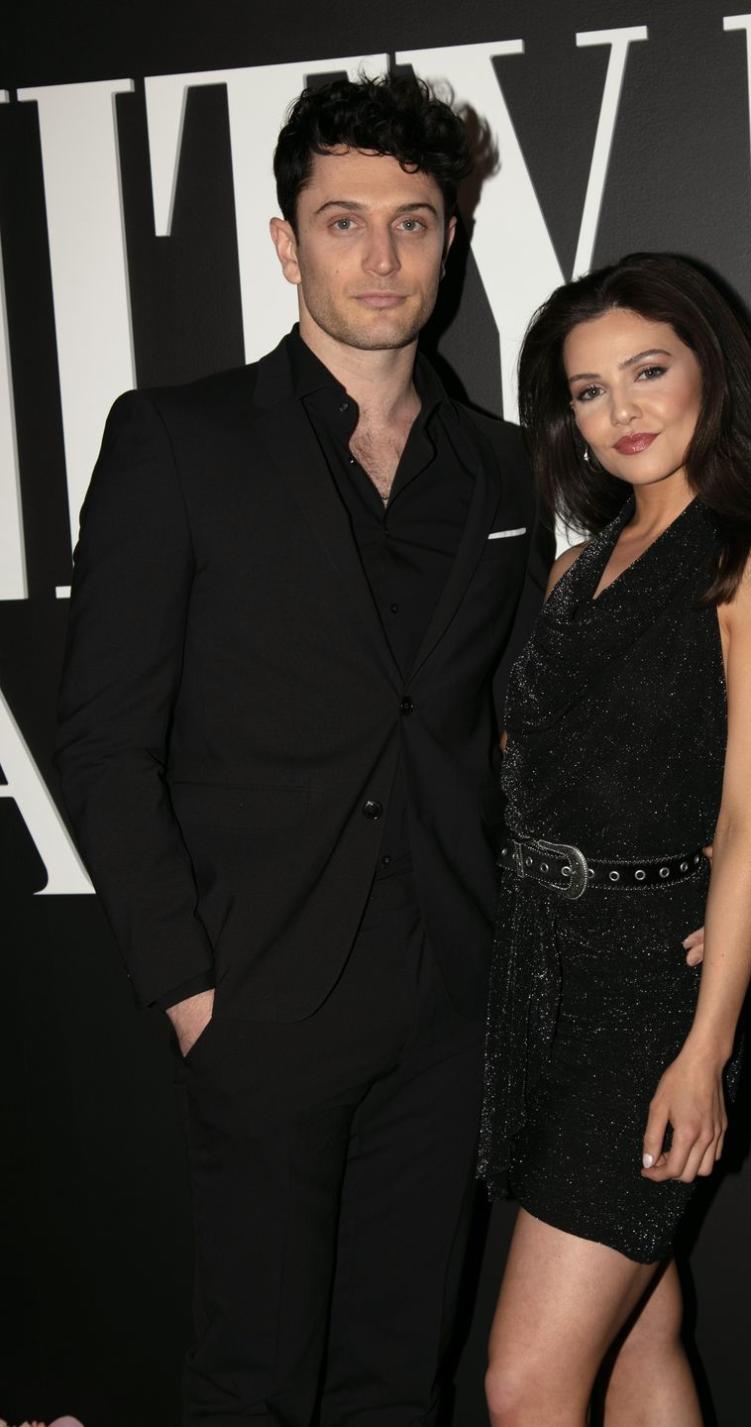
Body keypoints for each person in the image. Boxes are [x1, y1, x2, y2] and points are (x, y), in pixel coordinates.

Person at [54, 73, 553, 1427]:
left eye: (414, 221)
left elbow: (509, 724)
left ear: (453, 238)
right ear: (286, 243)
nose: (380, 257)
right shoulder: (176, 439)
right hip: (261, 992)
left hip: (450, 992)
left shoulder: (509, 471)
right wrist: (190, 985)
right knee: (253, 1376)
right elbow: (102, 737)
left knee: (397, 1374)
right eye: (343, 221)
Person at [479, 253, 751, 1426]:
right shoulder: (579, 569)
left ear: (710, 372)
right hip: (538, 975)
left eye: (646, 371)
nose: (621, 412)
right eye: (588, 390)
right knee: (639, 1338)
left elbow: (747, 829)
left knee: (527, 1382)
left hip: (649, 1004)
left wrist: (705, 1053)